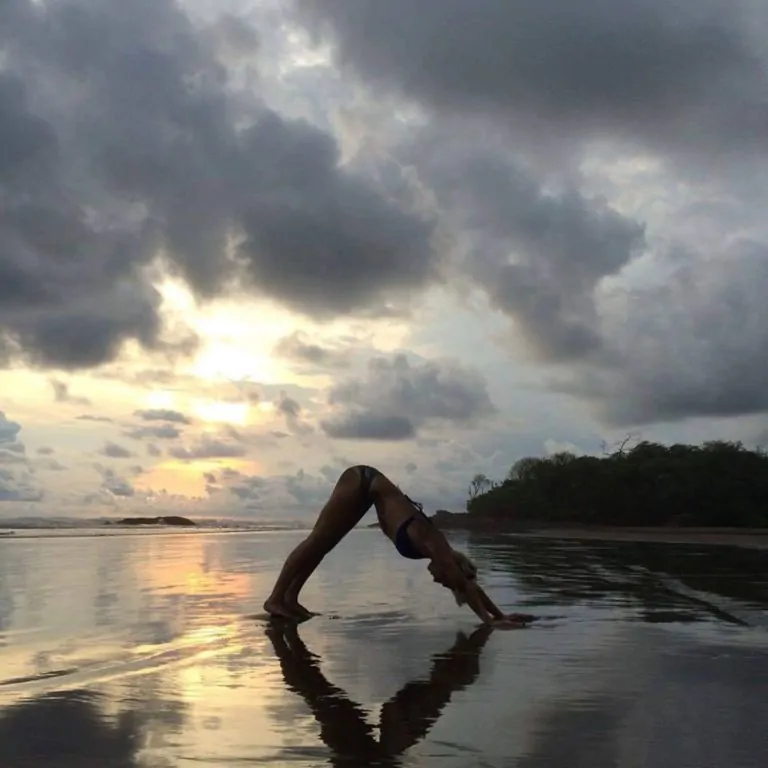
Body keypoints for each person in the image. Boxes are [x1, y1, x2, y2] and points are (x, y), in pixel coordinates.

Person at [263, 465, 533, 625]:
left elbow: (468, 583)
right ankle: (276, 598)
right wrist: (490, 622)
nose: (437, 582)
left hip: (366, 491)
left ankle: (290, 599)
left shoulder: (441, 553)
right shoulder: (438, 549)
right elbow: (466, 585)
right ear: (452, 569)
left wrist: (500, 615)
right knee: (318, 541)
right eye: (444, 582)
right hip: (362, 481)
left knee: (323, 545)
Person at [265, 620, 494, 765]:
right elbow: (393, 715)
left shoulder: (435, 695)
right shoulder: (437, 693)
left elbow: (392, 714)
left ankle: (279, 638)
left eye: (445, 660)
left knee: (313, 690)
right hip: (361, 744)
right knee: (313, 689)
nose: (436, 660)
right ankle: (281, 639)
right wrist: (491, 620)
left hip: (359, 745)